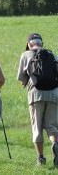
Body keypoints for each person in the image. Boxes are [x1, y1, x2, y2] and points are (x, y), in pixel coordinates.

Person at [17, 33, 58, 167]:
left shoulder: (26, 55)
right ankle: (55, 144)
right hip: (53, 94)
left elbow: (22, 79)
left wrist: (27, 82)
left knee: (37, 128)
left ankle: (40, 158)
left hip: (36, 94)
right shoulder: (52, 55)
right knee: (52, 126)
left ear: (29, 44)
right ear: (41, 43)